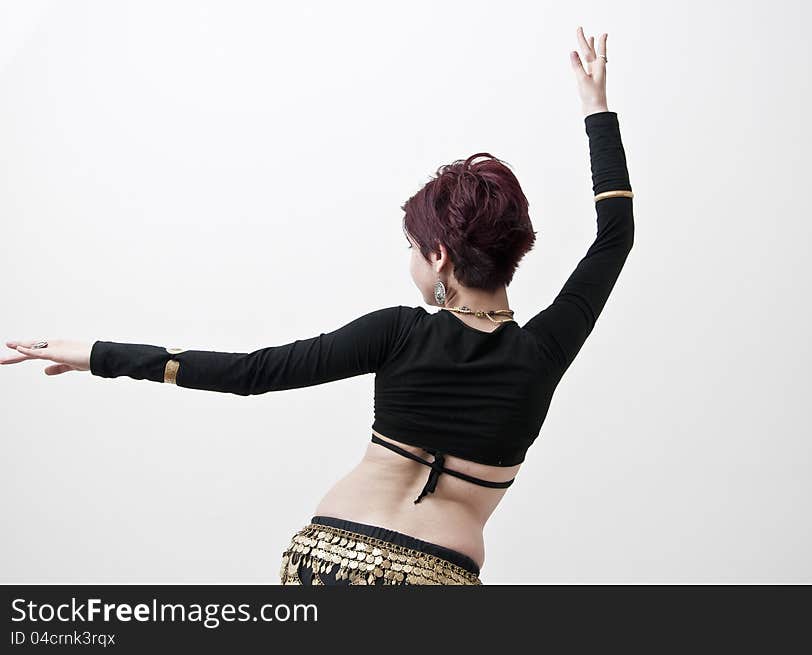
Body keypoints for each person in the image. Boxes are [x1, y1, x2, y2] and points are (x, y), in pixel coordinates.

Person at [2, 27, 634, 586]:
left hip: (326, 559)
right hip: (436, 578)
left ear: (439, 256)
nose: (411, 263)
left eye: (413, 248)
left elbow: (251, 373)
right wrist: (595, 107)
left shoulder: (399, 333)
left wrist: (99, 356)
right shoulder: (543, 351)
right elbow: (616, 236)